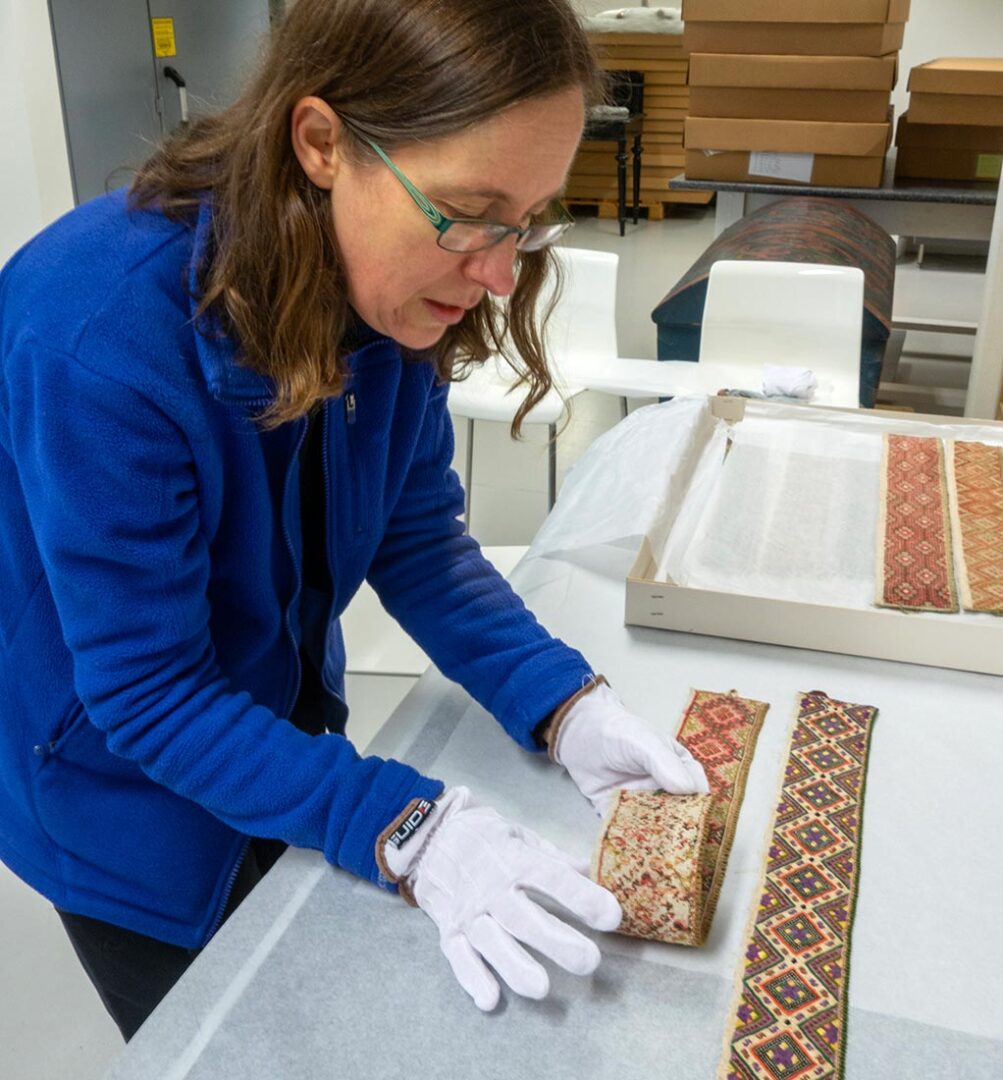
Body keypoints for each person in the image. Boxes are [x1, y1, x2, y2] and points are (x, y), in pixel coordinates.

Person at [0, 0, 708, 1038]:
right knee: (240, 1042)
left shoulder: (384, 294)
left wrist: (561, 701)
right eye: (471, 212)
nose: (500, 274)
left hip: (275, 716)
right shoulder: (99, 338)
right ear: (322, 142)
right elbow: (149, 694)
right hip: (116, 793)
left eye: (528, 219)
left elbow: (415, 538)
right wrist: (401, 824)